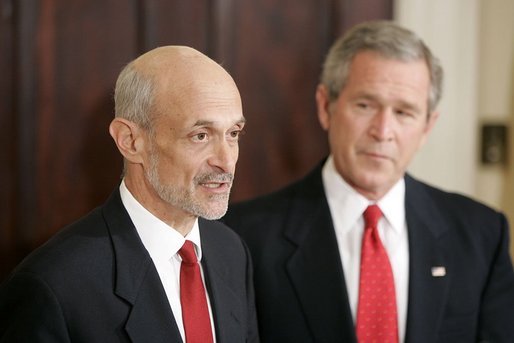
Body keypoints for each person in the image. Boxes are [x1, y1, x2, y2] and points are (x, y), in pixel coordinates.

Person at [222, 20, 514, 342]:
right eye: (365, 105)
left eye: (404, 112)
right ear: (325, 107)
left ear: (427, 127)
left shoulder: (480, 234)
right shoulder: (244, 236)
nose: (382, 131)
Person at [0, 46, 259, 342]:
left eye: (233, 133)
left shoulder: (231, 252)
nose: (226, 161)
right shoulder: (53, 287)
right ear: (130, 141)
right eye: (200, 135)